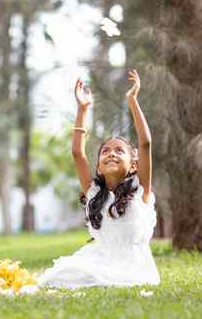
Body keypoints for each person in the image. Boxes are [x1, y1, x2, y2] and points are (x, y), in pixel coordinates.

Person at [38, 70, 160, 289]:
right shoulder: (93, 192)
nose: (111, 153)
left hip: (133, 266)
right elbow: (77, 153)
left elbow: (146, 144)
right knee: (61, 275)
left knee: (100, 279)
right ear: (99, 167)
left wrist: (132, 100)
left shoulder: (140, 187)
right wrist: (83, 109)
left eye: (119, 151)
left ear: (133, 165)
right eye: (105, 151)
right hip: (101, 257)